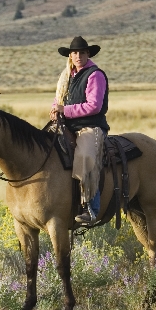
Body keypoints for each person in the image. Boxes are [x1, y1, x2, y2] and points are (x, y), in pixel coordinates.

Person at [50, 36, 109, 225]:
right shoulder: (66, 76)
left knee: (85, 158)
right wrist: (54, 110)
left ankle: (91, 208)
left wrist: (64, 110)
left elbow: (94, 106)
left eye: (82, 52)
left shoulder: (95, 75)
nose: (78, 56)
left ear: (88, 54)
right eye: (74, 52)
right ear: (70, 55)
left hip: (89, 127)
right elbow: (58, 101)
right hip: (67, 126)